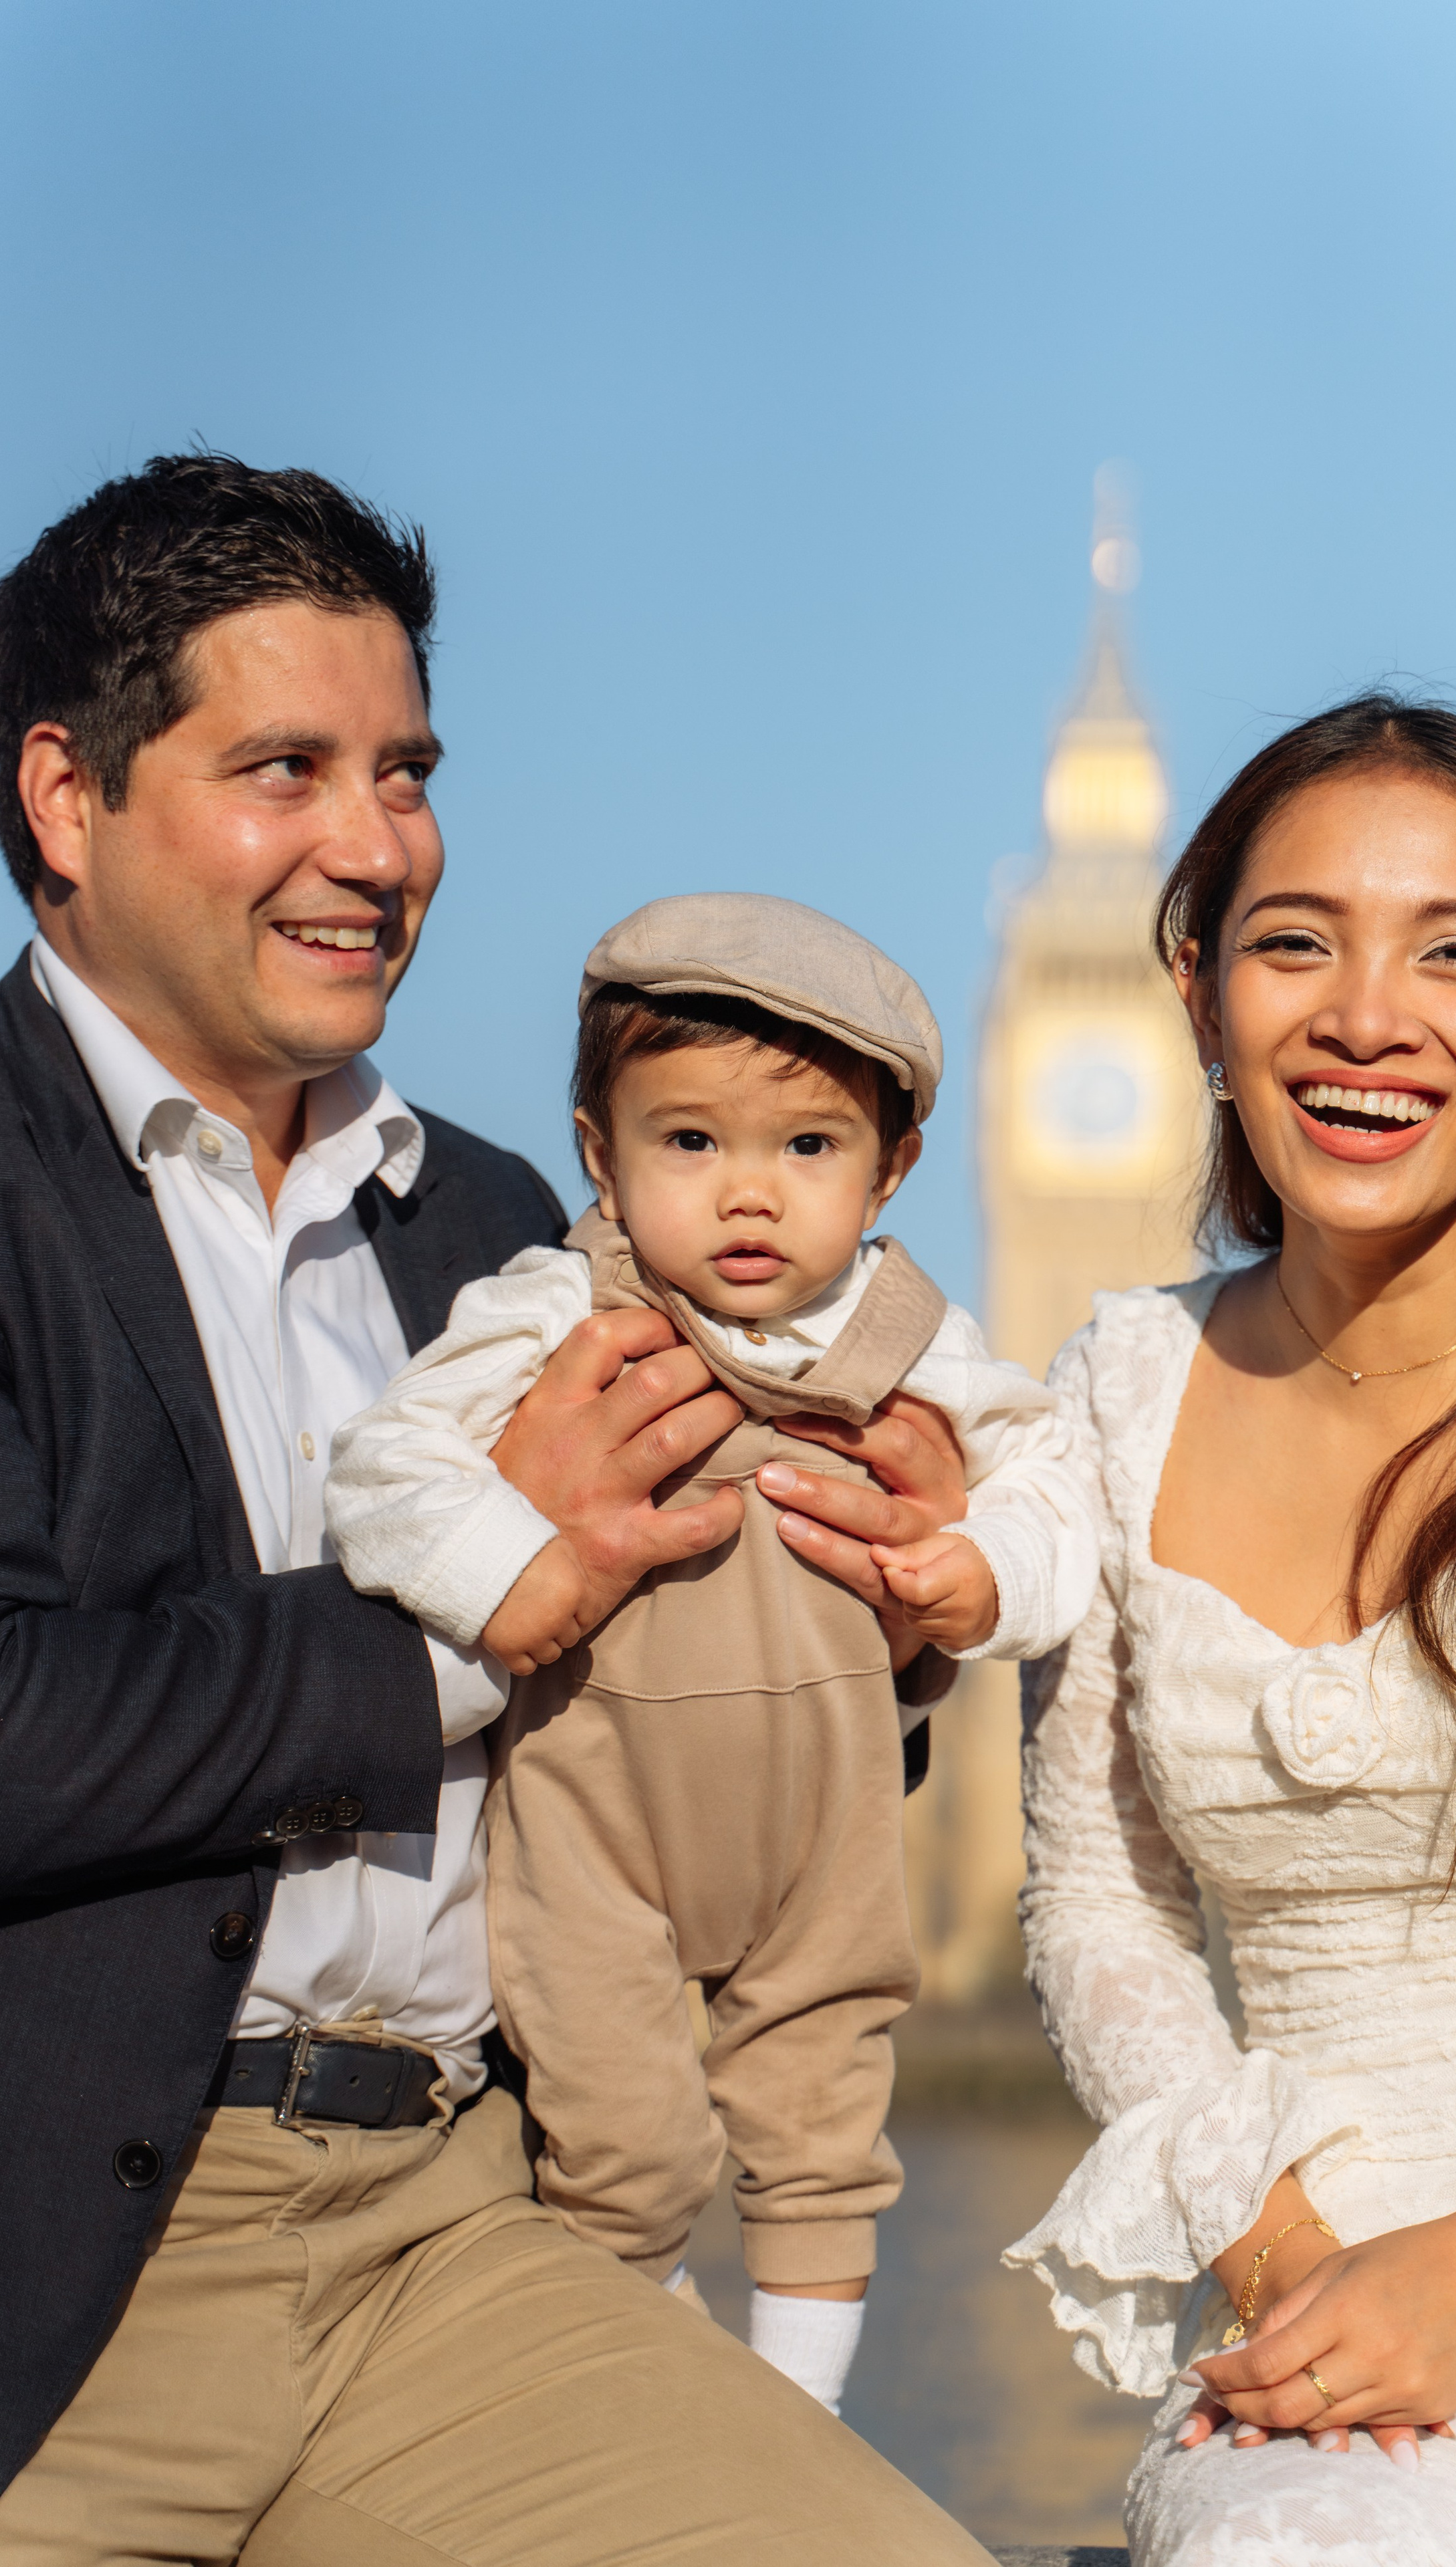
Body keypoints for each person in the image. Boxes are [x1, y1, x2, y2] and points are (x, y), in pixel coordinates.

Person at [0, 451, 994, 2566]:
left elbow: (676, 1715)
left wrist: (871, 1620)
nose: (377, 847)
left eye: (407, 774)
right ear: (69, 798)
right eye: (287, 769)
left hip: (457, 2242)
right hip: (41, 2288)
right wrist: (476, 1603)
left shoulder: (512, 1225)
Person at [1003, 697, 1456, 2564]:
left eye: (1455, 952)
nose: (1366, 1017)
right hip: (1304, 2314)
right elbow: (1097, 1897)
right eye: (1297, 942)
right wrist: (1286, 2259)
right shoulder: (1115, 1397)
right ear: (1200, 996)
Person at [324, 890, 1099, 2416]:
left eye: (806, 1147)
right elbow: (385, 1464)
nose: (749, 1195)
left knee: (822, 2126)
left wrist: (972, 1576)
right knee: (620, 2139)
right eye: (690, 1142)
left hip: (824, 1809)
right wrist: (514, 1579)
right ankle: (662, 2398)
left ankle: (796, 2420)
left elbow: (1051, 1480)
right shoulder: (557, 1312)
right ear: (600, 1156)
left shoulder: (912, 1339)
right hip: (593, 1808)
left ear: (890, 1169)